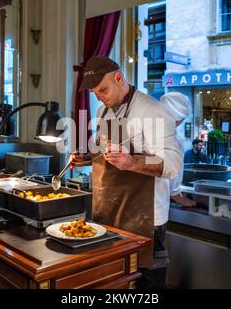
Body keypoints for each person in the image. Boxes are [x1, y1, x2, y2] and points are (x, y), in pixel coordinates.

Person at [71, 56, 182, 289]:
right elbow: (104, 151)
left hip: (145, 220)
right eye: (95, 93)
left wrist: (132, 162)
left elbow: (173, 163)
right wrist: (87, 157)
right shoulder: (103, 111)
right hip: (109, 215)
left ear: (119, 78)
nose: (100, 97)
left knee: (145, 287)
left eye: (103, 89)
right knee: (114, 283)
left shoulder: (153, 110)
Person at [159, 92, 196, 208]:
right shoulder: (173, 140)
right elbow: (173, 176)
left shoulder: (142, 129)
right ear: (180, 118)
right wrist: (178, 196)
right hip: (157, 205)